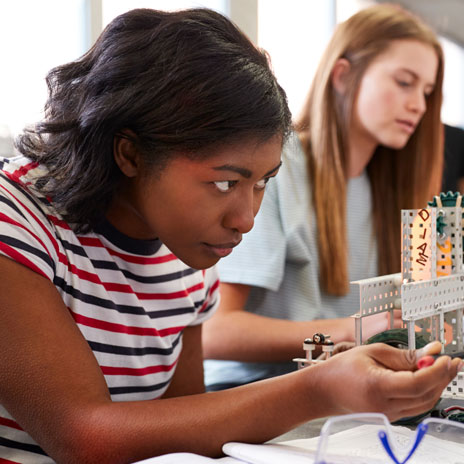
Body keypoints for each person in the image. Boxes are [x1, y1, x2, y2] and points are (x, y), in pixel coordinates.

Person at [0, 7, 459, 464]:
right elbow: (83, 438)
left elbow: (181, 426)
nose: (246, 219)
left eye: (262, 183)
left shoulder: (186, 253)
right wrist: (318, 388)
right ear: (130, 154)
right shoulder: (16, 219)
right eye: (224, 183)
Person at [203, 4, 448, 391]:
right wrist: (354, 329)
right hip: (252, 402)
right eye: (404, 82)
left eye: (428, 92)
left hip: (340, 403)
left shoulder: (387, 192)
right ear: (343, 76)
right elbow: (214, 333)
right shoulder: (275, 171)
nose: (419, 104)